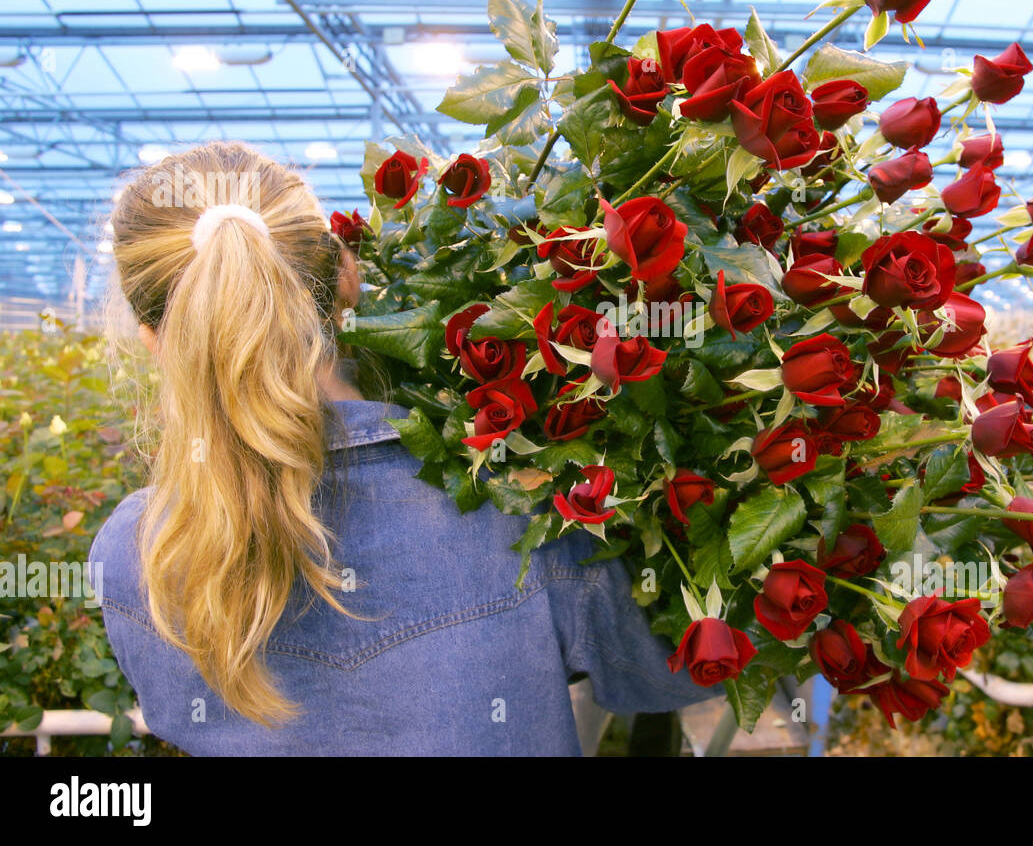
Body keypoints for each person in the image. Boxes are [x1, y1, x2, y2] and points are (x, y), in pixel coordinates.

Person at [90, 142, 718, 756]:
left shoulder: (136, 551)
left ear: (153, 338)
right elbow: (660, 675)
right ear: (347, 276)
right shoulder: (513, 503)